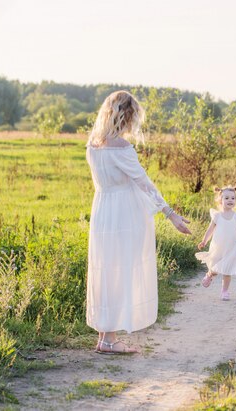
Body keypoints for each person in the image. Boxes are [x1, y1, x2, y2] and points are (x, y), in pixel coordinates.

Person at [86, 90, 191, 355]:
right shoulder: (121, 147)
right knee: (119, 270)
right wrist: (171, 214)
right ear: (127, 116)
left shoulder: (93, 144)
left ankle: (104, 336)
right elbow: (144, 184)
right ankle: (109, 339)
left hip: (102, 210)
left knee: (106, 270)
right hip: (123, 213)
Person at [196, 185, 236, 301]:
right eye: (227, 198)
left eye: (233, 198)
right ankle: (209, 275)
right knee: (215, 270)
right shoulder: (217, 216)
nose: (230, 200)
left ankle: (225, 291)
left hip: (232, 248)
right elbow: (210, 230)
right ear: (220, 200)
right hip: (218, 247)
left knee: (227, 271)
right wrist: (204, 241)